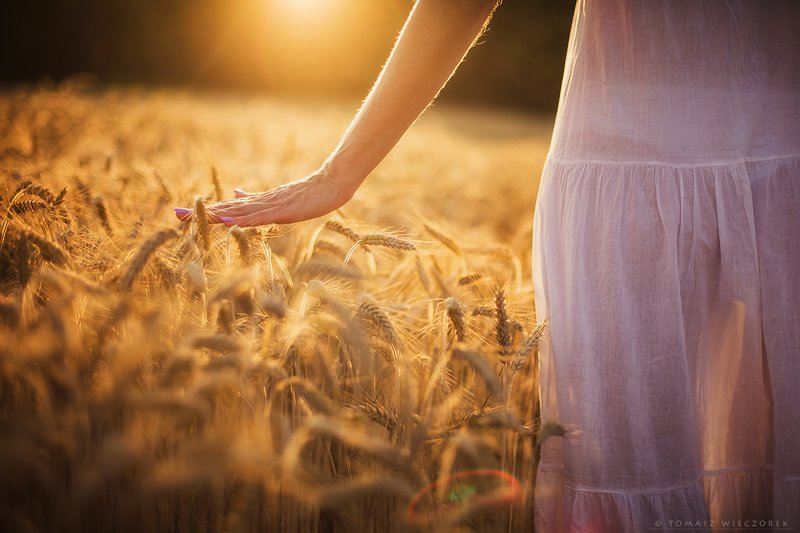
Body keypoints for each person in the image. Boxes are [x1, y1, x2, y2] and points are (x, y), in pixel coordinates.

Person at [176, 1, 800, 530]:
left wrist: (339, 174)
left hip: (647, 168)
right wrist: (338, 174)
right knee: (638, 468)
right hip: (626, 177)